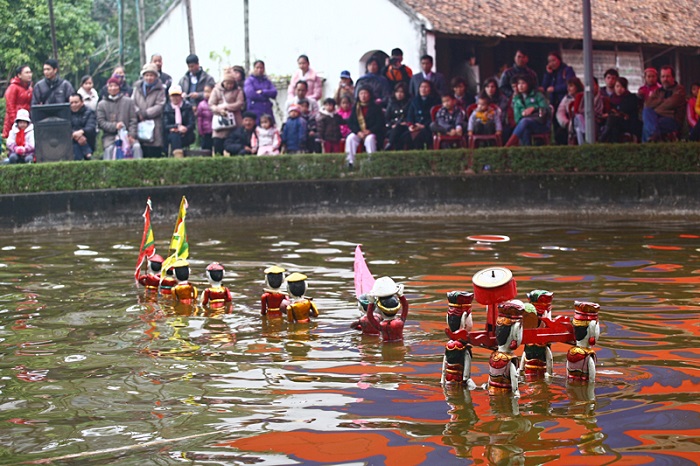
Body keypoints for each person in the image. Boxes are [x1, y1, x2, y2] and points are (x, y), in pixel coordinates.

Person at [96, 77, 141, 160]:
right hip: (110, 136)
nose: (113, 88)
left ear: (119, 87)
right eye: (110, 86)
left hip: (127, 135)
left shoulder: (129, 102)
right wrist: (115, 126)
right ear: (107, 88)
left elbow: (133, 120)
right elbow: (101, 122)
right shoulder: (101, 104)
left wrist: (131, 135)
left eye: (115, 86)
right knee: (110, 149)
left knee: (136, 147)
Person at [642, 65, 686, 142]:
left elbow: (671, 103)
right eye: (663, 77)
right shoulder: (658, 91)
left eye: (668, 76)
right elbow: (647, 104)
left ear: (673, 77)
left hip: (673, 120)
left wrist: (655, 108)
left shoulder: (679, 90)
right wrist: (662, 100)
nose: (665, 79)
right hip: (657, 118)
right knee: (647, 110)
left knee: (648, 125)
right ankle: (654, 138)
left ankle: (648, 147)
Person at [132, 63, 166, 158]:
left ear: (155, 76)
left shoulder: (160, 90)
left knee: (154, 153)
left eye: (151, 75)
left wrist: (146, 113)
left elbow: (160, 105)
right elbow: (132, 102)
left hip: (154, 124)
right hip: (139, 122)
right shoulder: (136, 88)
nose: (149, 78)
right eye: (147, 75)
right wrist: (138, 113)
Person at [505, 75, 550, 147]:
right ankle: (527, 153)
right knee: (525, 128)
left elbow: (547, 109)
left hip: (540, 124)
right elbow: (517, 119)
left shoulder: (538, 95)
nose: (520, 86)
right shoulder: (517, 99)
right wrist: (523, 113)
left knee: (525, 121)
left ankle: (507, 146)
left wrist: (533, 108)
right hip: (524, 125)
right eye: (519, 84)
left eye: (523, 83)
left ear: (529, 84)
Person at [542, 51, 576, 144]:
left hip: (564, 101)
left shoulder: (567, 70)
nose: (552, 63)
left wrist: (555, 89)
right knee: (555, 125)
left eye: (554, 60)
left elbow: (570, 85)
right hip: (553, 102)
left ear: (559, 60)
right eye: (550, 61)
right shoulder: (551, 73)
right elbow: (544, 86)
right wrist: (548, 73)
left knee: (564, 126)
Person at [346, 87, 385, 169]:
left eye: (365, 93)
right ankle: (350, 162)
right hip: (359, 132)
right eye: (361, 94)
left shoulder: (375, 107)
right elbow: (351, 122)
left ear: (369, 95)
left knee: (369, 139)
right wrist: (358, 132)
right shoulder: (355, 108)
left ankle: (371, 162)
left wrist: (370, 131)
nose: (363, 96)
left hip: (372, 132)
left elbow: (380, 123)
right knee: (351, 138)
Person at [209, 67, 245, 154]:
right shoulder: (216, 90)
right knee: (218, 145)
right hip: (220, 122)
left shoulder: (238, 90)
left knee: (234, 145)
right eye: (227, 83)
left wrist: (227, 107)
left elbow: (240, 103)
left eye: (231, 83)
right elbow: (211, 104)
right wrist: (219, 109)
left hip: (235, 121)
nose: (229, 85)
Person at [600, 77, 641, 143]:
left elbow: (624, 110)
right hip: (615, 123)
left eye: (622, 86)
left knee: (612, 119)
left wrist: (613, 113)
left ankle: (602, 139)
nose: (619, 89)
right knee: (614, 125)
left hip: (627, 123)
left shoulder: (631, 97)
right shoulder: (611, 98)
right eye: (617, 86)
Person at [403, 80, 440, 150]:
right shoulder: (414, 101)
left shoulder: (435, 101)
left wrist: (423, 126)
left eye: (426, 87)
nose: (423, 89)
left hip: (427, 127)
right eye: (421, 87)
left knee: (419, 137)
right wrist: (411, 125)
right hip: (415, 126)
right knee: (406, 136)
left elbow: (435, 117)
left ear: (430, 89)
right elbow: (410, 115)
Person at [572, 77, 609, 144]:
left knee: (580, 129)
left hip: (596, 122)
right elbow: (576, 111)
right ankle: (585, 131)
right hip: (582, 120)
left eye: (593, 85)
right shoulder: (580, 97)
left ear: (597, 86)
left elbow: (606, 114)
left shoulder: (603, 99)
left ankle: (585, 136)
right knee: (579, 119)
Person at [162, 84, 195, 158]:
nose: (175, 98)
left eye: (177, 95)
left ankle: (178, 155)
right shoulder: (166, 108)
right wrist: (176, 127)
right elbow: (165, 125)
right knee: (174, 136)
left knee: (178, 136)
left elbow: (192, 123)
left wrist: (185, 128)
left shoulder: (188, 107)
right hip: (171, 134)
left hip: (187, 134)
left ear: (181, 96)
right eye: (173, 96)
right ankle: (178, 156)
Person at [3, 65, 33, 139]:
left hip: (26, 122)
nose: (29, 75)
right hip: (14, 123)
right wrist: (16, 124)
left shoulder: (30, 88)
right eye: (26, 72)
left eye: (30, 72)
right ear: (19, 75)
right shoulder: (13, 87)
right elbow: (10, 107)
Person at [555, 77, 583, 145]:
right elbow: (560, 112)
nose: (568, 88)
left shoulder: (583, 96)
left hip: (581, 122)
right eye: (568, 86)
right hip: (569, 123)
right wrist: (566, 123)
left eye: (571, 86)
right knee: (560, 134)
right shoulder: (566, 98)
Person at [69, 93, 96, 161]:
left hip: (87, 139)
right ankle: (87, 153)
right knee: (77, 144)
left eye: (76, 102)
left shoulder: (89, 112)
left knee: (80, 142)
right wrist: (77, 136)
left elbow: (91, 127)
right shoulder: (66, 113)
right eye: (71, 103)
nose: (73, 105)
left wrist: (81, 132)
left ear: (82, 102)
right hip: (71, 141)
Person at [385, 82, 411, 151]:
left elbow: (410, 116)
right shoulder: (391, 102)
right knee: (395, 132)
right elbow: (387, 118)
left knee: (400, 131)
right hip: (392, 127)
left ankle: (390, 145)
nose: (399, 94)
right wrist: (391, 125)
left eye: (401, 92)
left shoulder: (409, 103)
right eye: (397, 92)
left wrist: (405, 123)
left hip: (405, 126)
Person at [197, 85, 214, 153]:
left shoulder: (217, 103)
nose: (207, 94)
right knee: (206, 149)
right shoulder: (201, 104)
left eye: (209, 92)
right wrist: (200, 130)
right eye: (205, 92)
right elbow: (199, 119)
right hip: (206, 130)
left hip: (216, 129)